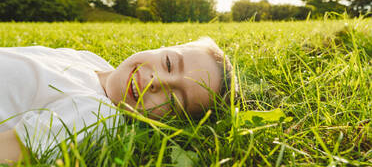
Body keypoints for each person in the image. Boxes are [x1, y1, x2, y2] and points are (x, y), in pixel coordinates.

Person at [0, 37, 235, 164]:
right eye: (169, 63)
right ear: (163, 47)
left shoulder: (98, 115)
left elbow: (9, 152)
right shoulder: (93, 62)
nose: (157, 81)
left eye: (173, 100)